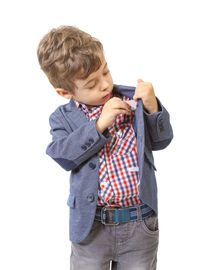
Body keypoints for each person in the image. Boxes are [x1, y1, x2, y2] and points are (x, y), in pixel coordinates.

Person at [37, 25, 173, 270]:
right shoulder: (61, 119)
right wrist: (98, 126)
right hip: (91, 229)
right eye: (91, 84)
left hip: (139, 224)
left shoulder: (131, 100)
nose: (105, 85)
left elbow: (162, 141)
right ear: (64, 92)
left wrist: (153, 108)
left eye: (106, 72)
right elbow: (63, 156)